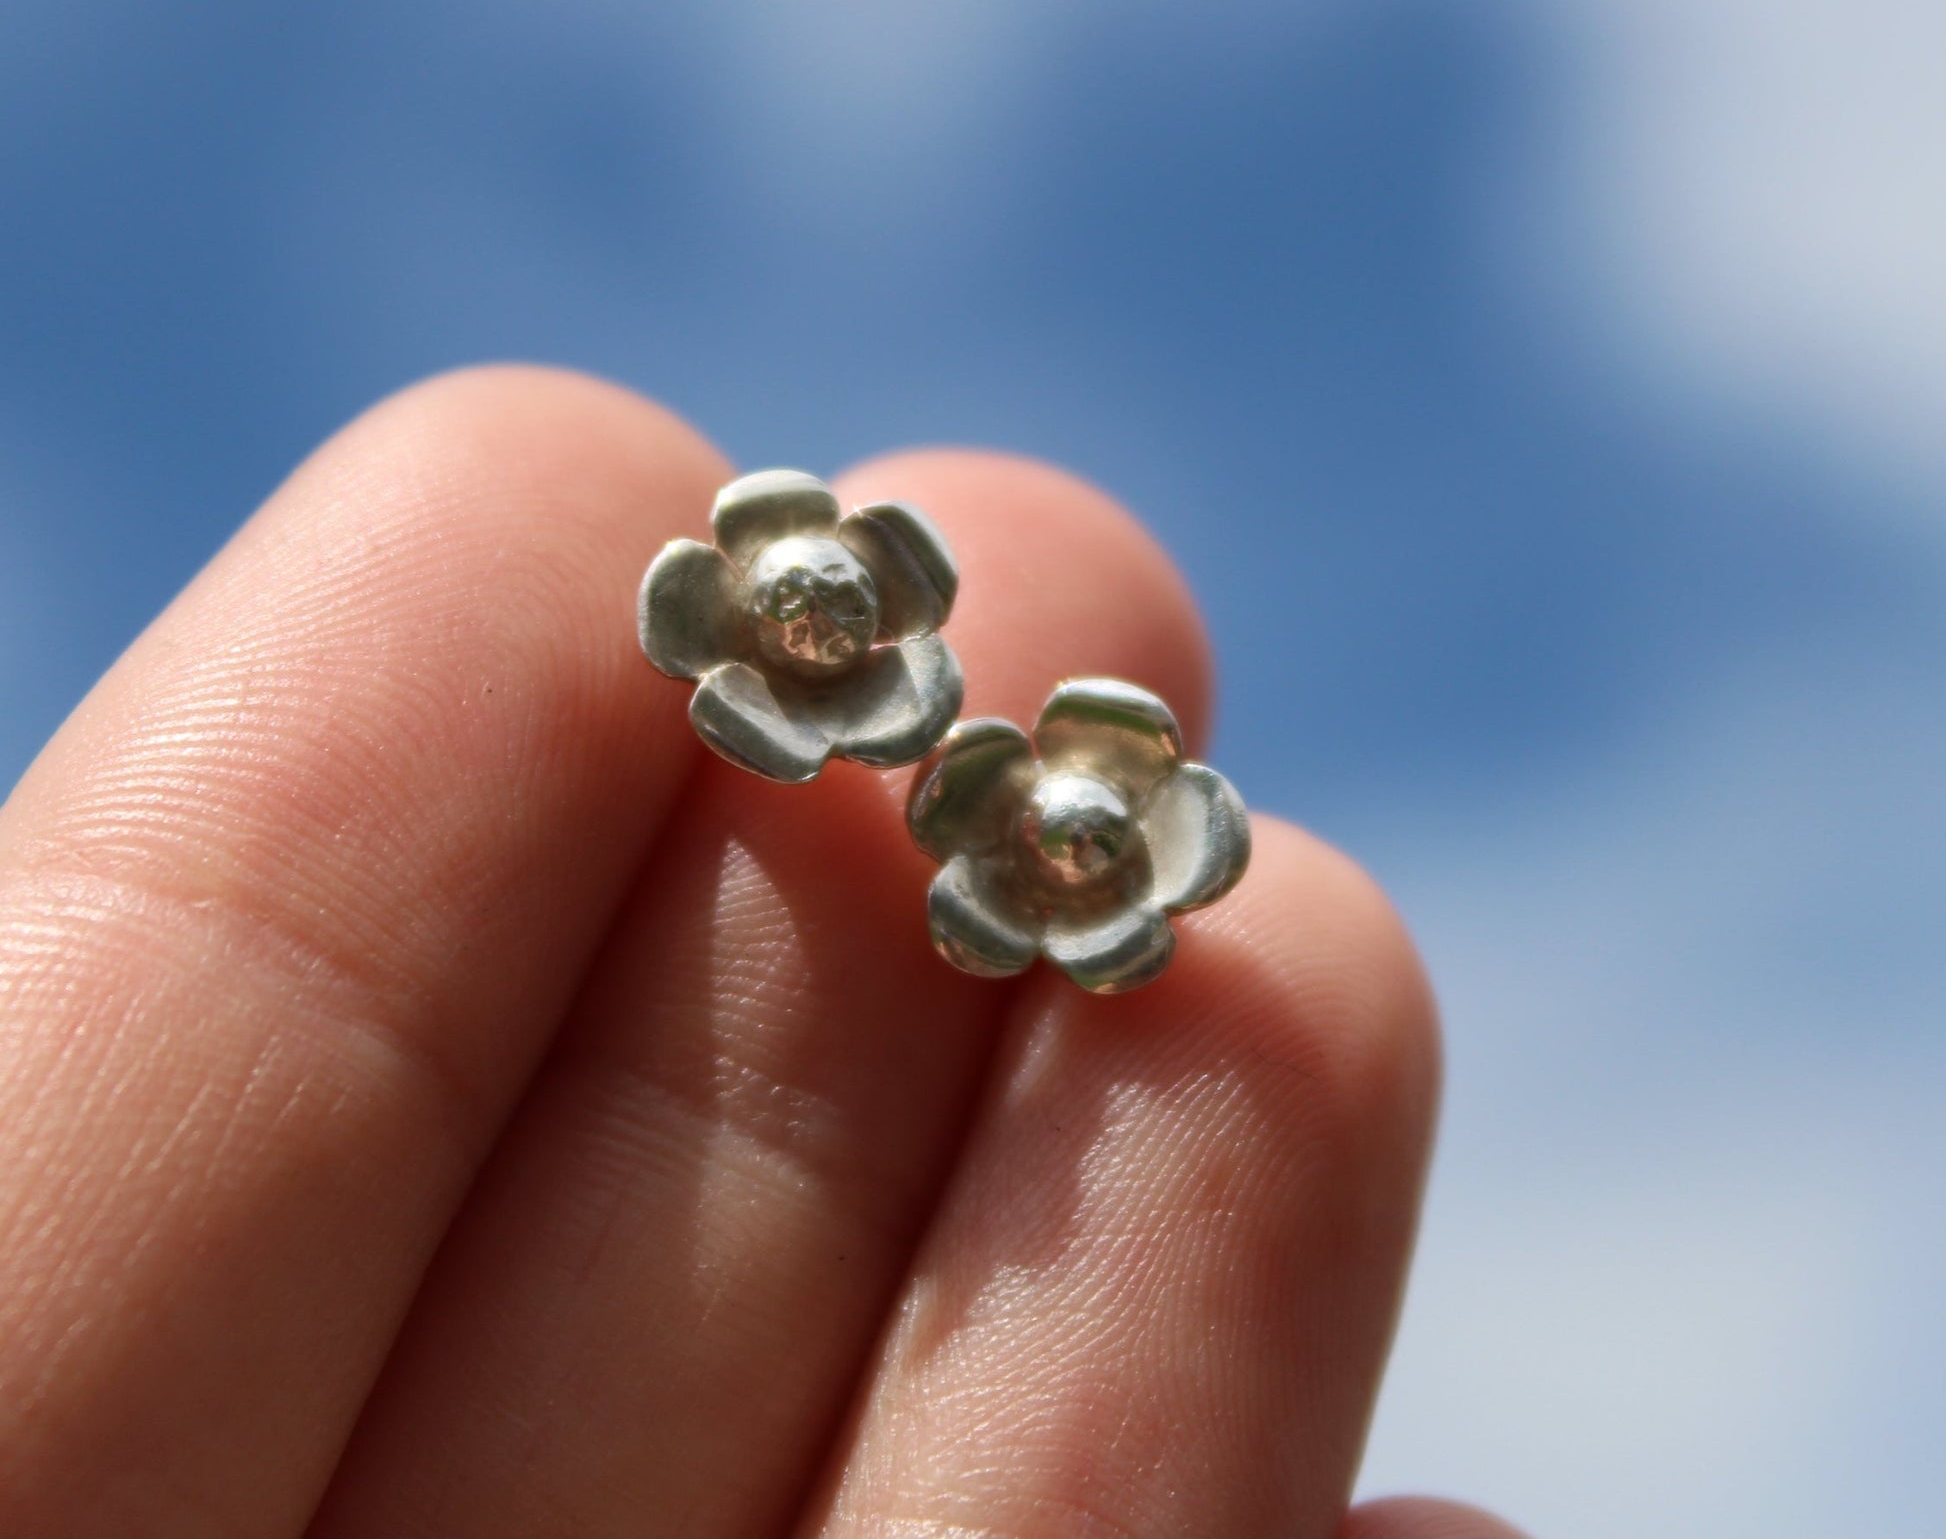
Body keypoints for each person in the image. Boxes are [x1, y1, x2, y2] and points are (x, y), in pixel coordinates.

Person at [0, 367, 1523, 1539]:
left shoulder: (1004, 780)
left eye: (831, 598)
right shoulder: (753, 657)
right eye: (792, 598)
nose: (812, 604)